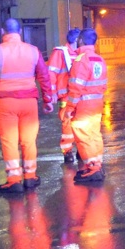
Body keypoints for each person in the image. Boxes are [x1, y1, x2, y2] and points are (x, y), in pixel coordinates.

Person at [0, 18, 56, 195]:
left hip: (5, 103)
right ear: (20, 32)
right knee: (28, 140)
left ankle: (14, 180)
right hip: (29, 103)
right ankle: (30, 177)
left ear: (3, 32)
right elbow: (44, 75)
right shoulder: (33, 51)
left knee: (9, 141)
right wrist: (48, 99)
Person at [65, 28, 108, 184]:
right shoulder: (100, 59)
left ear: (81, 41)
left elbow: (76, 87)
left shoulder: (81, 60)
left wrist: (69, 108)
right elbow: (103, 85)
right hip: (97, 103)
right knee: (94, 134)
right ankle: (96, 164)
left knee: (83, 135)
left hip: (84, 104)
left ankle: (92, 168)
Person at [47, 28, 81, 163]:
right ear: (77, 40)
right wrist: (52, 93)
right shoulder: (60, 53)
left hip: (78, 95)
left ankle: (81, 149)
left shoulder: (80, 53)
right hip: (66, 95)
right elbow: (51, 73)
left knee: (81, 123)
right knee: (67, 124)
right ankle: (67, 152)